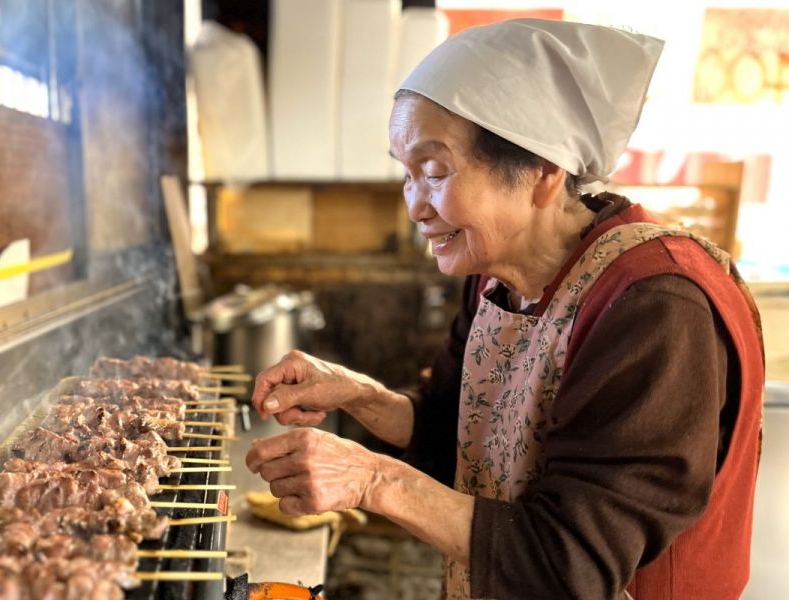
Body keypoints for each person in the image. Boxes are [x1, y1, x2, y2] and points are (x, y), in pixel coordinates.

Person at [245, 19, 764, 600]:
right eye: (406, 173)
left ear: (544, 171)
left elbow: (573, 563)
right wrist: (359, 395)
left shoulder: (655, 305)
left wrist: (371, 478)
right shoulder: (496, 277)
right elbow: (459, 442)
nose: (415, 204)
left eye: (436, 171)